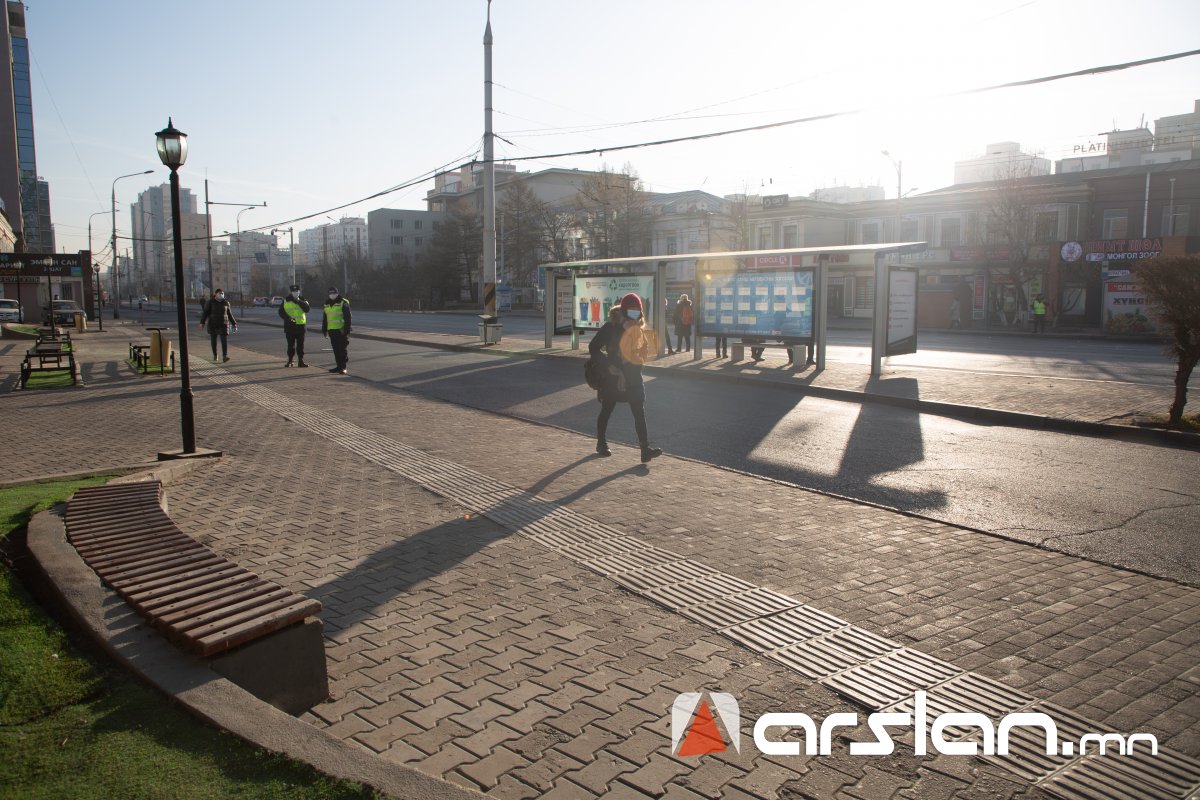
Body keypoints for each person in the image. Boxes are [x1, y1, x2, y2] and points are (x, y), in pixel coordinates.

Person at [588, 293, 662, 464]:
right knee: (607, 410)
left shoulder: (639, 330)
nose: (636, 313)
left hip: (634, 377)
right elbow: (593, 348)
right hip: (613, 377)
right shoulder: (611, 328)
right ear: (624, 311)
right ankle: (601, 443)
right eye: (632, 310)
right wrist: (609, 365)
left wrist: (640, 357)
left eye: (638, 311)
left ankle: (645, 450)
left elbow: (644, 352)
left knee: (639, 413)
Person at [199, 288, 236, 362]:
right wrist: (202, 322)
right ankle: (215, 355)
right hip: (213, 324)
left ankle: (225, 356)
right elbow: (205, 313)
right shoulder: (210, 302)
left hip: (224, 324)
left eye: (222, 293)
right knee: (214, 341)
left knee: (224, 340)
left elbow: (229, 314)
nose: (221, 295)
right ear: (215, 294)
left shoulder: (226, 302)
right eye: (220, 293)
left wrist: (234, 323)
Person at [322, 286, 352, 374]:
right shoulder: (327, 303)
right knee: (335, 349)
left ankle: (343, 367)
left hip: (341, 330)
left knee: (342, 349)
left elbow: (348, 317)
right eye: (330, 293)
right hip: (332, 330)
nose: (332, 295)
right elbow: (325, 317)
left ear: (337, 293)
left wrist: (346, 330)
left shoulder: (343, 302)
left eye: (334, 293)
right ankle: (338, 366)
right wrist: (324, 329)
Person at [279, 284, 310, 367]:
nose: (295, 292)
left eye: (297, 291)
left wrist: (298, 301)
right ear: (291, 292)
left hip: (301, 326)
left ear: (299, 291)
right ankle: (290, 360)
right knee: (290, 345)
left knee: (301, 345)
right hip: (290, 326)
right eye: (294, 291)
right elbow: (280, 312)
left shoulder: (303, 299)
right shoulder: (286, 300)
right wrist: (287, 318)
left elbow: (307, 309)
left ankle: (301, 361)